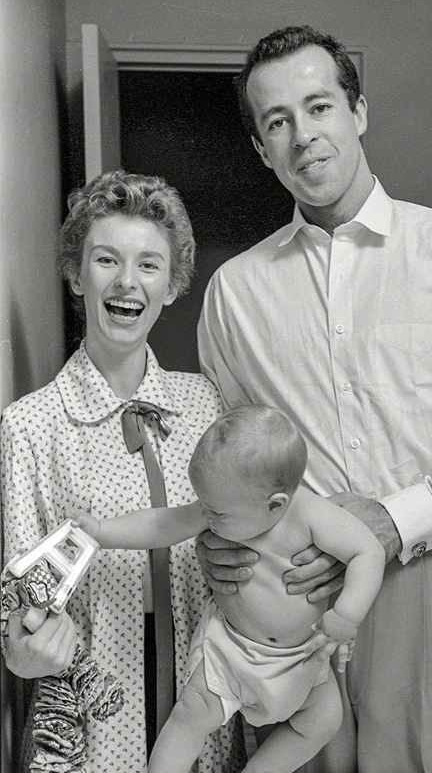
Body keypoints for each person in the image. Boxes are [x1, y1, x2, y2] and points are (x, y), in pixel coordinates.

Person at [196, 25, 432, 773]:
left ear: (358, 111)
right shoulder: (235, 292)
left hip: (430, 580)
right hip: (290, 589)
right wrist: (218, 533)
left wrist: (395, 522)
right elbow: (226, 453)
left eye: (320, 106)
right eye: (277, 121)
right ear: (262, 149)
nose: (304, 136)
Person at [1, 171, 245, 772]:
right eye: (106, 258)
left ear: (172, 284)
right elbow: (16, 609)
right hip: (94, 715)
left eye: (149, 265)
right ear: (77, 275)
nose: (126, 281)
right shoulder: (29, 426)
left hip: (200, 699)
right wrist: (26, 654)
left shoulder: (204, 404)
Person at [74, 403, 386, 773]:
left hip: (301, 659)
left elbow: (369, 550)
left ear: (275, 505)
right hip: (230, 652)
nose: (206, 515)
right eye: (204, 505)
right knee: (191, 714)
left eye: (217, 513)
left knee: (324, 721)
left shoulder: (312, 516)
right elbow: (161, 525)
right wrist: (101, 532)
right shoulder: (217, 506)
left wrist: (347, 614)